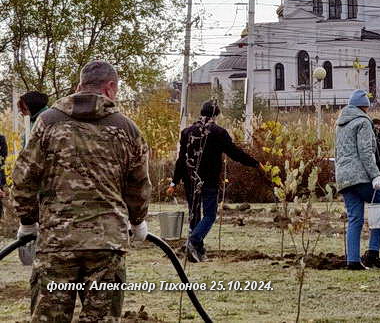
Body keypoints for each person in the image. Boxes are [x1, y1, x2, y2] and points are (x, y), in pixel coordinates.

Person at [12, 61, 151, 322]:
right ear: (110, 87)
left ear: (79, 86)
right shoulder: (127, 129)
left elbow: (24, 176)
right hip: (107, 245)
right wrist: (138, 221)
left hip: (57, 243)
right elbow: (138, 185)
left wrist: (27, 222)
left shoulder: (47, 123)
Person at [168, 101, 263, 262]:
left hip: (190, 181)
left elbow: (181, 160)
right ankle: (193, 241)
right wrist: (254, 163)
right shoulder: (219, 133)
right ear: (216, 115)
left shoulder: (187, 132)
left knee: (194, 215)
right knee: (210, 215)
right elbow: (234, 153)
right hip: (209, 180)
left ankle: (197, 253)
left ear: (202, 112)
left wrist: (174, 182)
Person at [335, 89, 380, 270]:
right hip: (360, 176)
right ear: (364, 107)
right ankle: (373, 253)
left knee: (355, 218)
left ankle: (353, 261)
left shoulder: (340, 124)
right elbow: (366, 152)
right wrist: (375, 175)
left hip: (343, 178)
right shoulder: (363, 122)